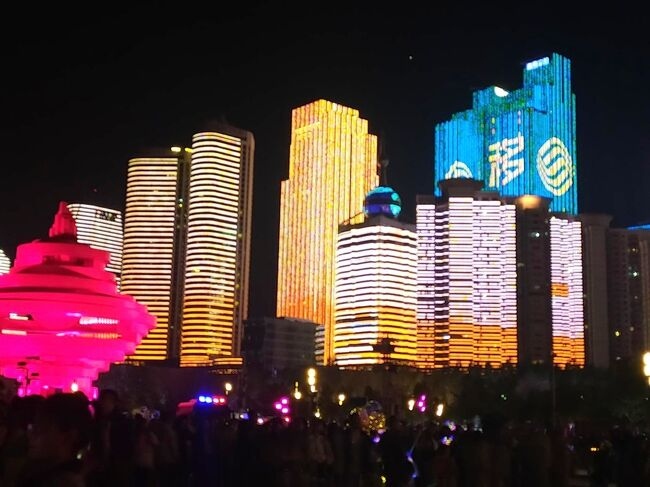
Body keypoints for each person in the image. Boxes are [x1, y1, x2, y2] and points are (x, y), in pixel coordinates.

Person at [16, 392, 93, 487]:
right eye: (32, 427)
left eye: (40, 428)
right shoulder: (40, 474)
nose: (30, 435)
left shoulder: (62, 482)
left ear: (68, 436)